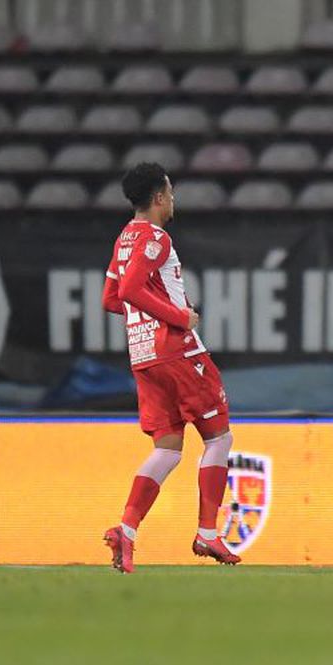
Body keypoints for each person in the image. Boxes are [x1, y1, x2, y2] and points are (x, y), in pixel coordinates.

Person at [100, 163, 239, 573]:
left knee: (167, 449)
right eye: (171, 193)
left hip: (143, 355)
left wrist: (144, 321)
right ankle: (208, 533)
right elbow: (127, 291)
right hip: (177, 352)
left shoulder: (124, 238)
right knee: (219, 439)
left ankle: (126, 529)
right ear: (159, 197)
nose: (173, 200)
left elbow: (112, 299)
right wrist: (179, 318)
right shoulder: (156, 238)